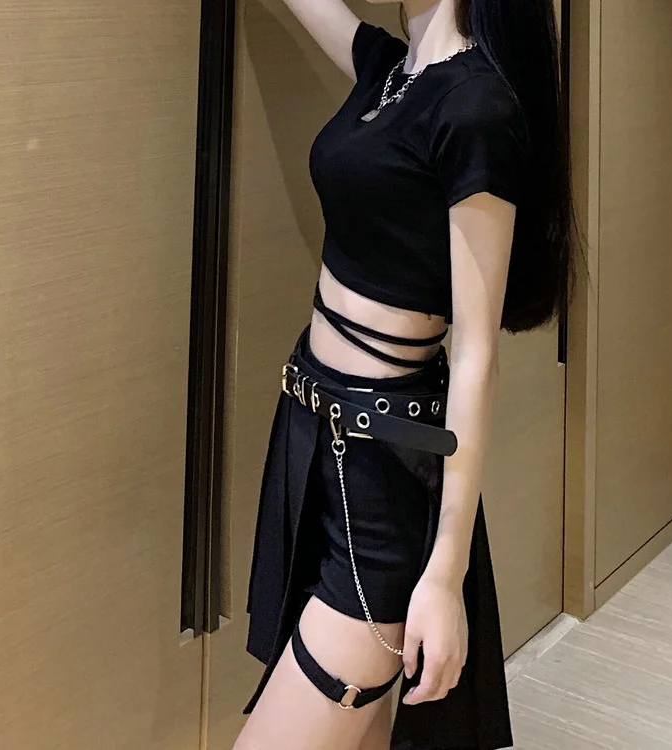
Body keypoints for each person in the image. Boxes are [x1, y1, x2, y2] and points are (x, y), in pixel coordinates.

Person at [234, 1, 576, 748]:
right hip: (310, 439)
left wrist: (445, 576)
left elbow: (476, 357)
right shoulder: (390, 71)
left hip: (380, 472)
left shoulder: (477, 107)